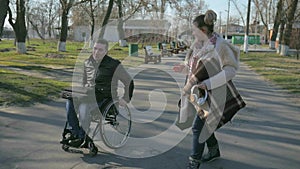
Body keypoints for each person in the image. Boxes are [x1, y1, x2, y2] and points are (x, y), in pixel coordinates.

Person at [174, 10, 246, 169]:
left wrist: (208, 83)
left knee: (197, 128)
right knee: (205, 124)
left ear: (203, 30)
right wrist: (184, 69)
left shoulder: (220, 47)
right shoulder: (196, 46)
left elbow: (230, 70)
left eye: (194, 30)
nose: (192, 33)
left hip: (213, 94)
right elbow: (195, 69)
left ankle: (194, 162)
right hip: (197, 93)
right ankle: (213, 151)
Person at [62, 38, 134, 149]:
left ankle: (81, 137)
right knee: (69, 101)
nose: (96, 52)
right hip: (88, 95)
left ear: (106, 51)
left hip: (105, 98)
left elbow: (129, 81)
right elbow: (84, 82)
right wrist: (84, 87)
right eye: (95, 49)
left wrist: (125, 98)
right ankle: (76, 133)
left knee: (84, 107)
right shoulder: (87, 62)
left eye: (100, 50)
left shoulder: (113, 64)